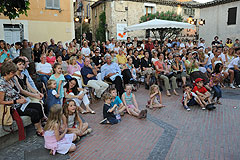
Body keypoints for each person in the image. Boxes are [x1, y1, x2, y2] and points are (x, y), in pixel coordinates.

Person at [0, 61, 44, 136]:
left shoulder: (12, 79)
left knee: (38, 106)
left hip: (20, 103)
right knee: (33, 112)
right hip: (13, 107)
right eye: (13, 72)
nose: (14, 74)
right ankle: (39, 130)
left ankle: (39, 126)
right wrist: (16, 101)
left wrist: (21, 97)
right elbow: (1, 101)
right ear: (8, 72)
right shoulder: (2, 83)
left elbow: (18, 91)